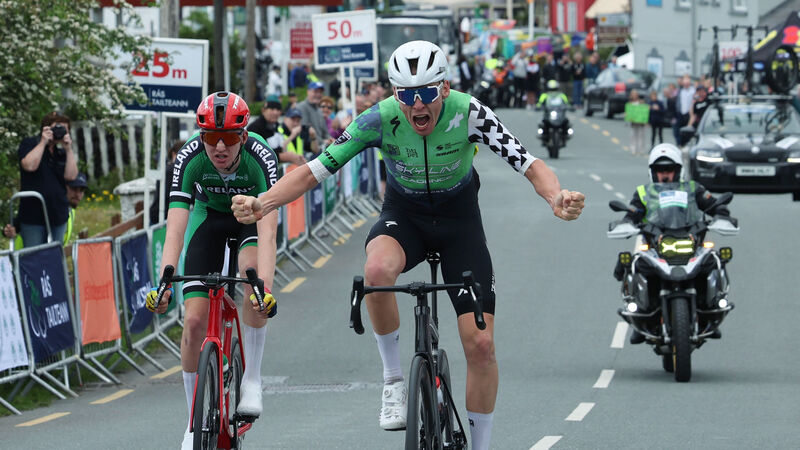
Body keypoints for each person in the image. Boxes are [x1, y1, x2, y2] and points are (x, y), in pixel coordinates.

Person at [229, 41, 585, 450]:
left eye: (427, 93)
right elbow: (314, 172)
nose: (418, 105)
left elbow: (528, 162)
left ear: (445, 89)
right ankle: (394, 380)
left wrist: (555, 197)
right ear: (395, 95)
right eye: (407, 95)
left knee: (481, 345)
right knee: (377, 273)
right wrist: (263, 203)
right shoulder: (378, 119)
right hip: (405, 216)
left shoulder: (470, 112)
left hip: (459, 223)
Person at [145, 91, 279, 450]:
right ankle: (192, 422)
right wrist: (165, 279)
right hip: (208, 219)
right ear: (200, 137)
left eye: (230, 138)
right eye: (210, 138)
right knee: (192, 322)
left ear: (244, 137)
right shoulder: (189, 157)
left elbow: (268, 232)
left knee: (252, 278)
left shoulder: (260, 157)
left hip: (250, 217)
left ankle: (251, 379)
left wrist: (264, 288)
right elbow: (175, 227)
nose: (220, 147)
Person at [616, 143, 730, 343]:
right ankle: (641, 317)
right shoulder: (644, 192)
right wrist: (627, 222)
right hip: (656, 248)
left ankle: (709, 313)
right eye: (660, 170)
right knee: (633, 264)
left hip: (691, 244)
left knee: (714, 260)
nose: (665, 175)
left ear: (679, 170)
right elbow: (633, 212)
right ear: (653, 172)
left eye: (669, 169)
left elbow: (712, 203)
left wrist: (721, 213)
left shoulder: (693, 189)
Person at [17, 111, 79, 246]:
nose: (60, 132)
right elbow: (29, 166)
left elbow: (71, 176)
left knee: (55, 256)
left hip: (57, 213)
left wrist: (68, 150)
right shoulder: (30, 144)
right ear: (46, 128)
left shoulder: (62, 153)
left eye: (64, 130)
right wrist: (43, 142)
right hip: (32, 214)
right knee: (34, 256)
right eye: (57, 128)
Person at [4, 171, 87, 248]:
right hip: (24, 259)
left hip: (43, 260)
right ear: (62, 187)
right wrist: (9, 229)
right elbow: (18, 222)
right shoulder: (50, 207)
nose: (78, 195)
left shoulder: (70, 210)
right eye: (74, 189)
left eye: (81, 190)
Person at [150, 141, 182, 225]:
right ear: (174, 154)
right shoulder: (172, 170)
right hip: (160, 217)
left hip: (160, 214)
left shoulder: (168, 169)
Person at [297, 81, 333, 148]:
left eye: (320, 92)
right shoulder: (302, 107)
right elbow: (304, 132)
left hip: (320, 148)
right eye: (315, 92)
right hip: (307, 150)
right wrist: (323, 141)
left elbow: (325, 132)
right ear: (308, 92)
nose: (318, 94)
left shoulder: (319, 110)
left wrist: (331, 140)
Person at [626, 89, 648, 156]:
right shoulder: (630, 103)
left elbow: (644, 111)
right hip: (633, 121)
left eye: (635, 94)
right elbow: (628, 111)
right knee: (633, 135)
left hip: (641, 122)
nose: (634, 96)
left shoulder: (641, 102)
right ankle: (633, 149)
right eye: (633, 94)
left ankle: (641, 150)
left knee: (641, 135)